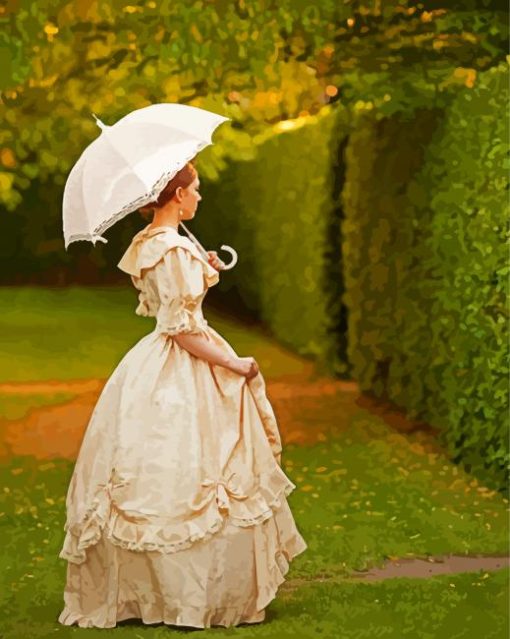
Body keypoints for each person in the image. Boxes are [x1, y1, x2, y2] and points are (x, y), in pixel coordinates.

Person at [57, 161, 308, 629]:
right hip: (181, 363)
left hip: (155, 362)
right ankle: (185, 598)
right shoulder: (169, 250)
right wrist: (232, 364)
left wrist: (201, 264)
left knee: (165, 468)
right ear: (176, 195)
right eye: (195, 190)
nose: (199, 197)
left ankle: (166, 595)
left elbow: (163, 304)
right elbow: (179, 327)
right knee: (187, 468)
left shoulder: (154, 245)